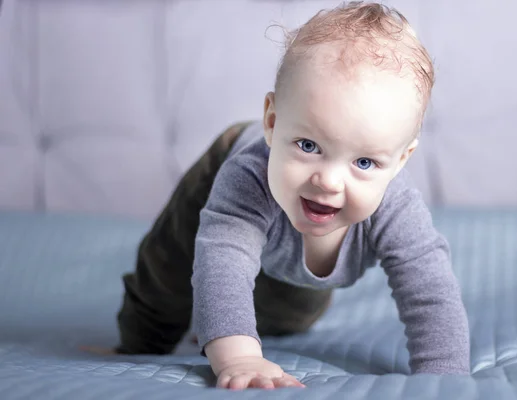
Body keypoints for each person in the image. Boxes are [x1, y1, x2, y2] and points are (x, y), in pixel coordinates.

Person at [84, 1, 470, 390]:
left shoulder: (397, 209)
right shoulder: (245, 177)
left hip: (295, 252)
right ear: (272, 122)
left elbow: (430, 292)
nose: (330, 181)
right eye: (308, 145)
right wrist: (239, 356)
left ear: (401, 160)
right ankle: (141, 339)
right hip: (230, 160)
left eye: (365, 163)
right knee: (170, 270)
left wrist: (444, 375)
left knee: (292, 314)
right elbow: (225, 257)